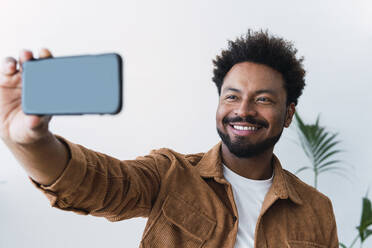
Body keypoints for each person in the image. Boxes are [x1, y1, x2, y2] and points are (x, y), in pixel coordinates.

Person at [0, 30, 338, 247]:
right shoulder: (170, 174)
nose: (243, 110)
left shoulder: (317, 210)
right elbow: (92, 184)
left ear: (289, 113)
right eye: (232, 96)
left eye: (263, 99)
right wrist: (31, 141)